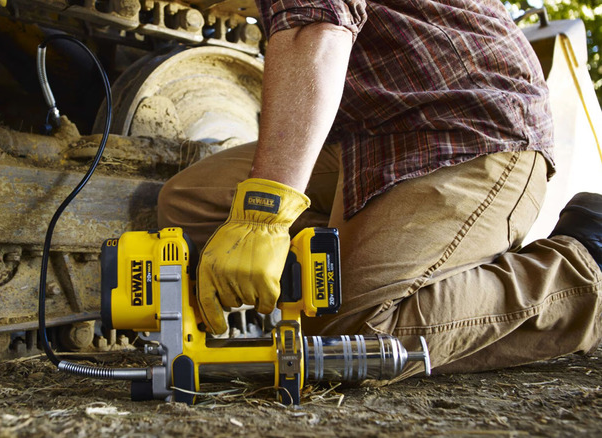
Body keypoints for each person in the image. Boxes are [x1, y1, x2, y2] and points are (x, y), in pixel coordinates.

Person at [157, 0, 602, 379]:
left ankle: (581, 275)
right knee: (190, 207)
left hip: (466, 124)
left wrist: (265, 214)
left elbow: (316, 27)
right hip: (369, 132)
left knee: (351, 338)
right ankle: (376, 271)